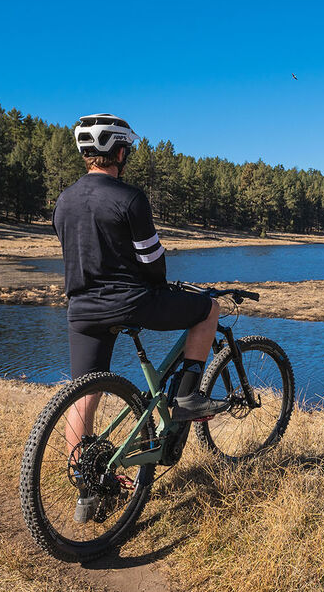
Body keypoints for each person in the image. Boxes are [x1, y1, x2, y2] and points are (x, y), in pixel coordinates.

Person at [53, 113, 226, 448]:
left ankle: (83, 478)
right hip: (131, 303)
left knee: (84, 392)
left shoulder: (63, 201)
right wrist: (159, 285)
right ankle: (189, 398)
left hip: (81, 309)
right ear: (120, 153)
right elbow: (151, 259)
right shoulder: (129, 198)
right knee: (209, 310)